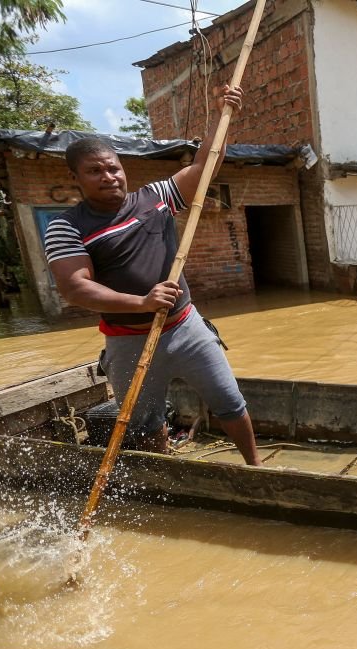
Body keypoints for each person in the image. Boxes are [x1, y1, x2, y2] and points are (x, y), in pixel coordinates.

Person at [44, 85, 262, 466]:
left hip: (184, 325)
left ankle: (256, 467)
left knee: (229, 401)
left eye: (113, 167)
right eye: (95, 171)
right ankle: (167, 473)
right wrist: (141, 303)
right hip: (128, 339)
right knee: (144, 422)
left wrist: (222, 115)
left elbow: (204, 166)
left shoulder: (155, 196)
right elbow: (75, 288)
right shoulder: (67, 225)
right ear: (75, 178)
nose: (108, 176)